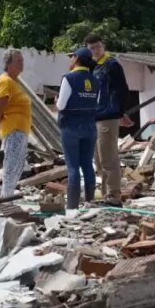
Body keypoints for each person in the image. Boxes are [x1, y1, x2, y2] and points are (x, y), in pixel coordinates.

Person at [85, 34, 132, 206]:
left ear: (103, 46)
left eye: (98, 46)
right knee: (98, 158)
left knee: (108, 157)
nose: (96, 50)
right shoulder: (91, 67)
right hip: (94, 117)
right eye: (92, 48)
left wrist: (121, 112)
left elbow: (123, 90)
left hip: (108, 115)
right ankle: (106, 194)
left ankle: (113, 195)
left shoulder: (112, 65)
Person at [56, 47, 100, 215]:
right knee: (87, 164)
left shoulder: (69, 78)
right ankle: (89, 203)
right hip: (90, 127)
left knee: (73, 167)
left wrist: (57, 101)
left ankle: (72, 207)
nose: (69, 60)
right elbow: (95, 103)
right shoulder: (95, 80)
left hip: (71, 127)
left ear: (76, 58)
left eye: (71, 57)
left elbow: (61, 105)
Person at [0, 49, 31, 198]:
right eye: (18, 61)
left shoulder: (15, 82)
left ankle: (7, 196)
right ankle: (6, 198)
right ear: (8, 64)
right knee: (12, 167)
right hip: (13, 129)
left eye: (22, 61)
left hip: (20, 129)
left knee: (17, 166)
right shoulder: (6, 81)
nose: (22, 64)